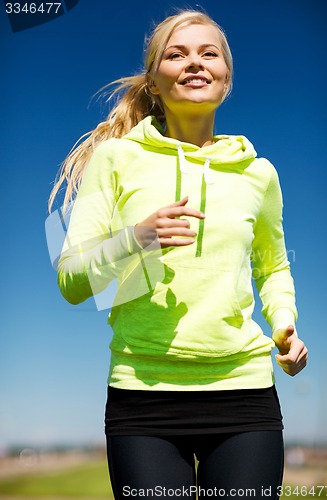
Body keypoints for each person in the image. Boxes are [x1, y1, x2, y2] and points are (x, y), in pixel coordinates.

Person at [49, 9, 308, 499]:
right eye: (177, 53)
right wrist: (136, 238)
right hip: (142, 397)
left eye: (209, 53)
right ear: (153, 79)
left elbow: (272, 266)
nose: (194, 63)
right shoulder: (116, 159)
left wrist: (285, 324)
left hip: (244, 393)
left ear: (226, 77)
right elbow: (70, 281)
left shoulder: (260, 174)